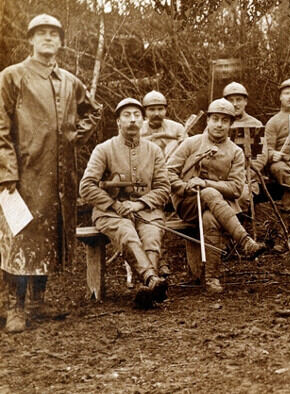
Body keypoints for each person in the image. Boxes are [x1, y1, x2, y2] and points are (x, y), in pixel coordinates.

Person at [0, 14, 101, 333]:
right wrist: (7, 170)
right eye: (40, 33)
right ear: (30, 40)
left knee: (47, 237)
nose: (47, 38)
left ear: (60, 41)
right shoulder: (11, 77)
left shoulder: (70, 81)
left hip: (60, 177)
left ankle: (38, 303)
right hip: (23, 174)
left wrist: (74, 136)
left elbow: (94, 111)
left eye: (53, 34)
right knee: (19, 237)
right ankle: (14, 307)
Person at [167, 98, 265, 293]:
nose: (219, 125)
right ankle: (245, 241)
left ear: (231, 124)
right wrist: (184, 187)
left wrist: (206, 183)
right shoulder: (191, 143)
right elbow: (167, 172)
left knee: (210, 217)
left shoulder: (235, 152)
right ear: (208, 121)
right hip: (188, 204)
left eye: (225, 121)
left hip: (220, 209)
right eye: (215, 119)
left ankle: (212, 279)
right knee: (210, 195)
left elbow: (237, 188)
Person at [79, 98, 168, 308]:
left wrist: (139, 205)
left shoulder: (154, 151)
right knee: (127, 233)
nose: (132, 120)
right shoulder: (104, 149)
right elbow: (86, 187)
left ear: (143, 120)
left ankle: (149, 287)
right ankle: (151, 279)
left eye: (137, 115)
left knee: (152, 236)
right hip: (110, 212)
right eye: (126, 115)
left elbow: (164, 188)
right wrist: (114, 205)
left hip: (146, 210)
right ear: (118, 121)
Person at [255, 78, 290, 214]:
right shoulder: (273, 122)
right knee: (278, 169)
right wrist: (273, 154)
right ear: (280, 97)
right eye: (287, 93)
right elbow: (267, 149)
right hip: (284, 163)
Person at [223, 81, 262, 216]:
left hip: (247, 178)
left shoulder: (255, 125)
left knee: (241, 196)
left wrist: (245, 174)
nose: (235, 104)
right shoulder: (218, 123)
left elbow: (260, 157)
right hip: (220, 178)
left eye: (238, 99)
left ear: (245, 101)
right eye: (231, 100)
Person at [140, 90, 186, 160]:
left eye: (160, 109)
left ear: (166, 110)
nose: (157, 113)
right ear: (144, 111)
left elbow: (187, 152)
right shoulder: (138, 129)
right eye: (152, 110)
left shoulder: (177, 128)